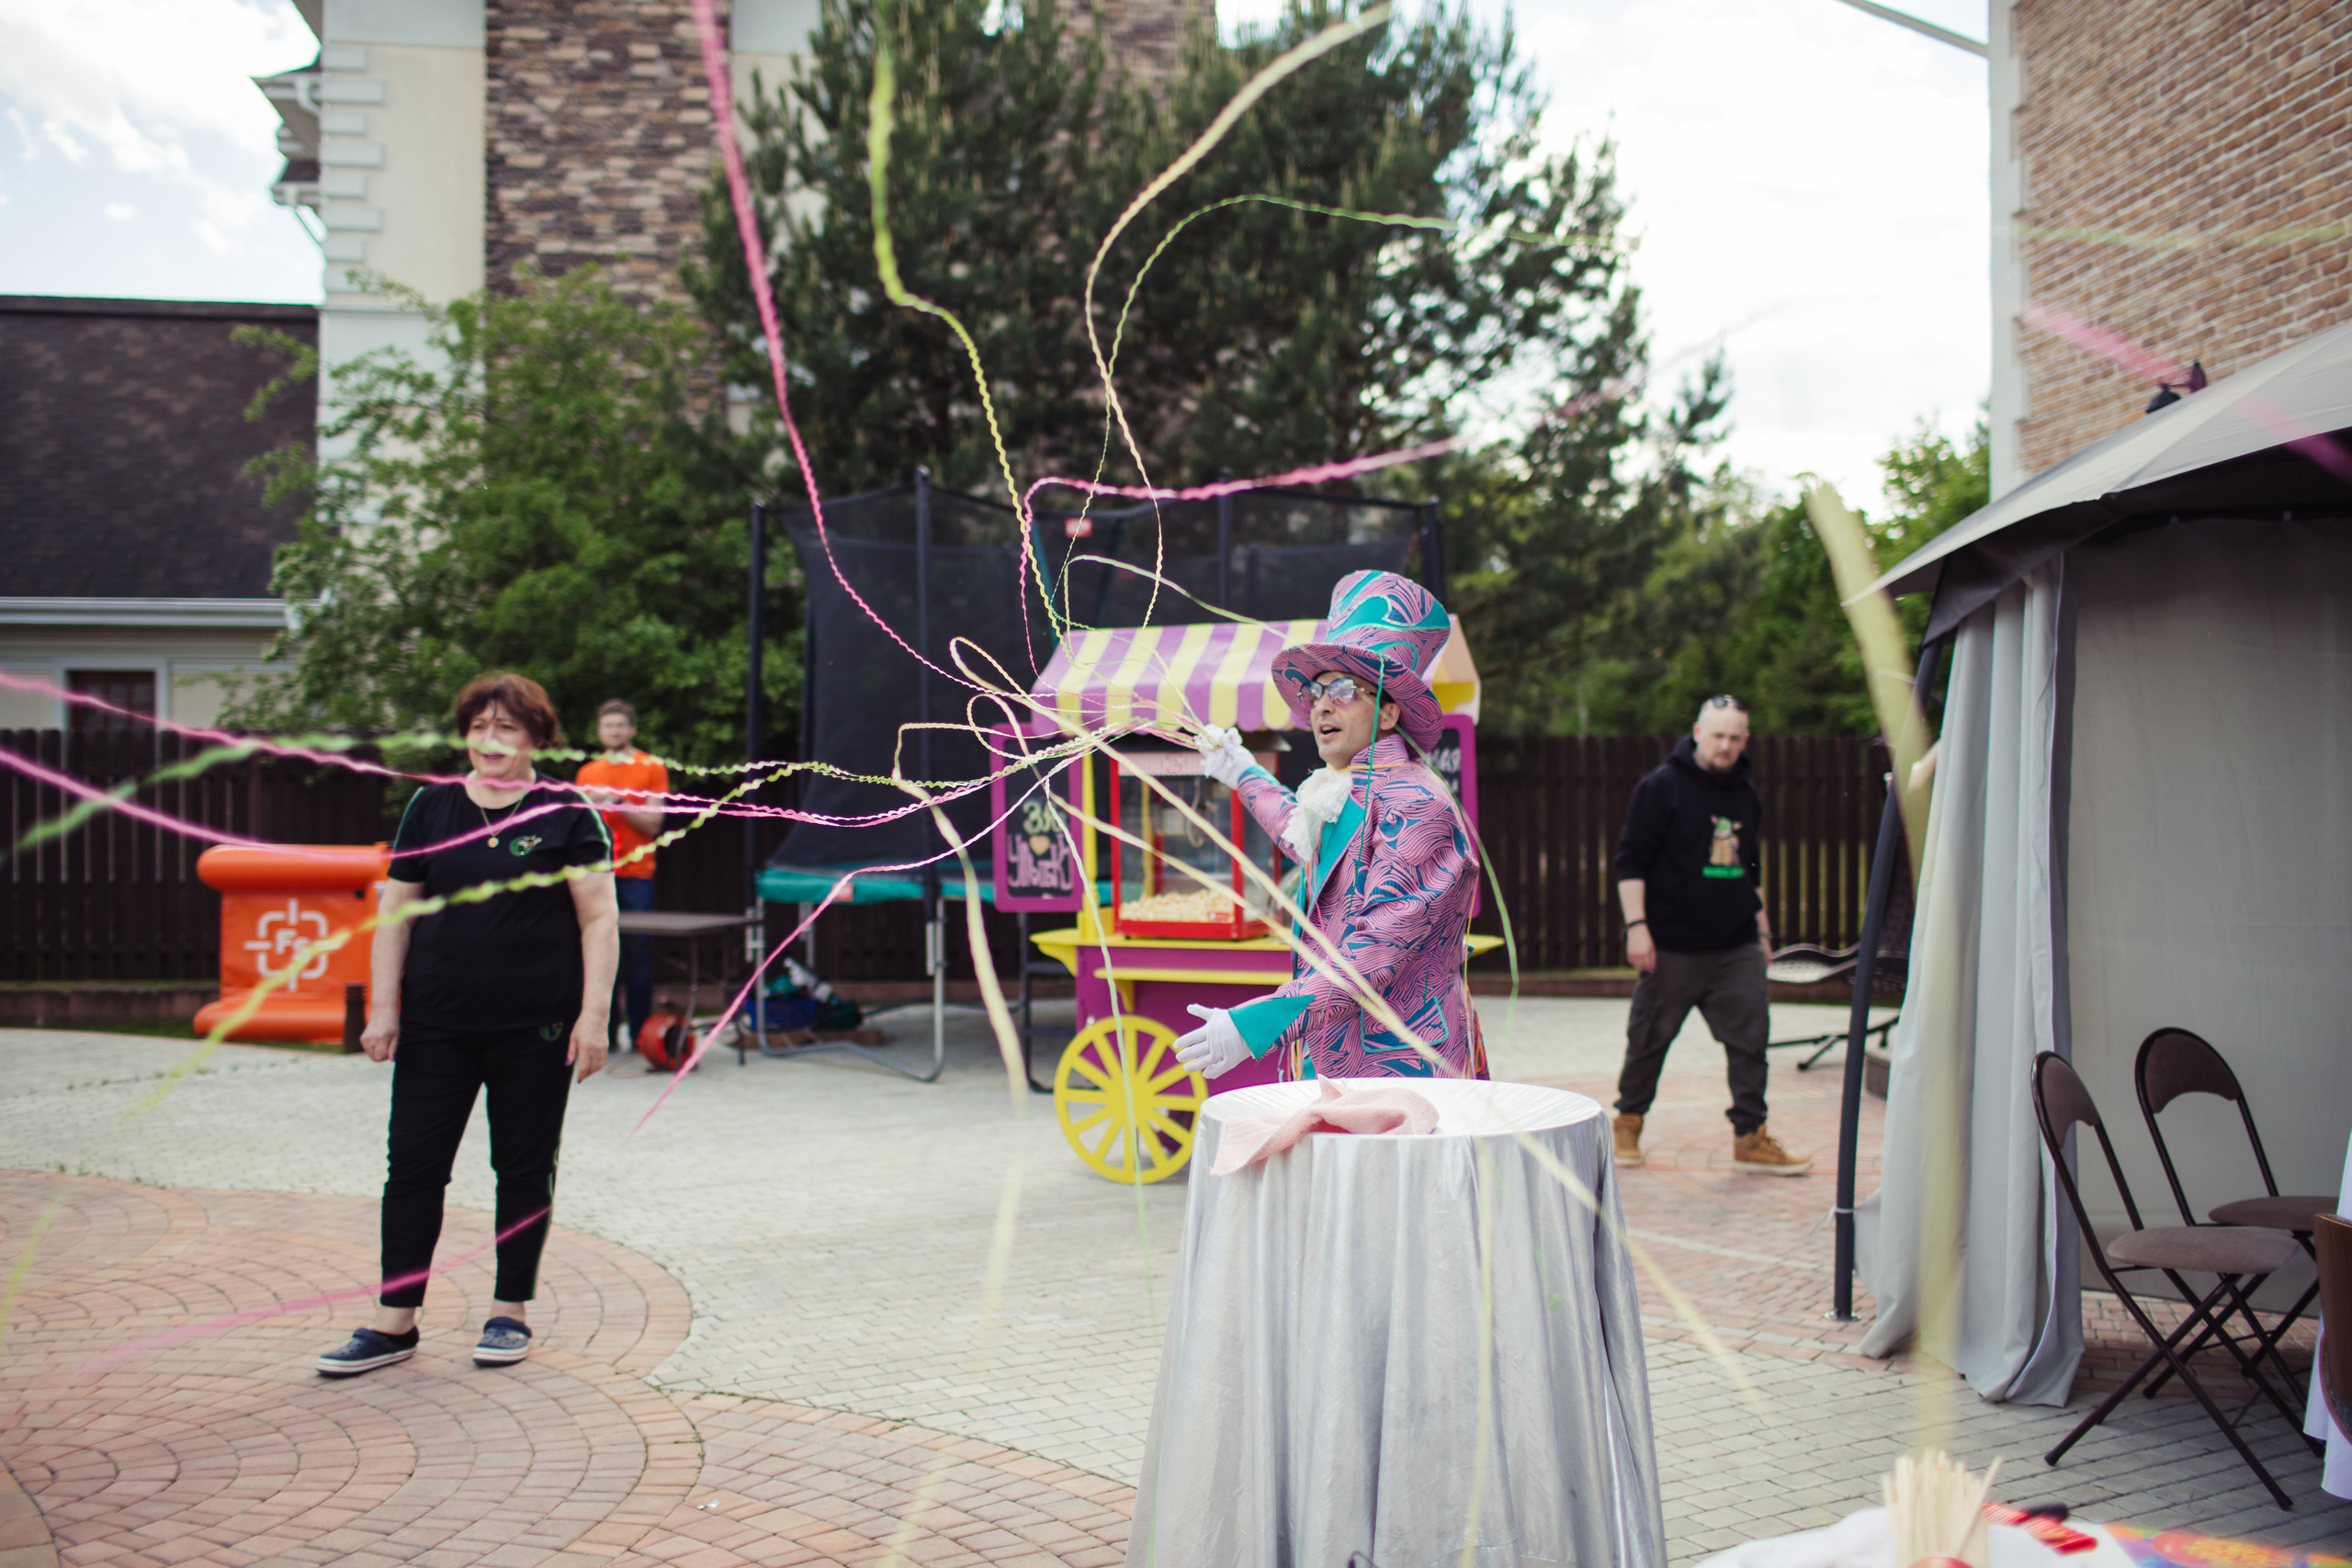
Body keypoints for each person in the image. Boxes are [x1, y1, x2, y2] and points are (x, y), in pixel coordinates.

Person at [317, 671, 620, 1377]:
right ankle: (395, 1323)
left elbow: (599, 918)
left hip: (536, 1029)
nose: (490, 741)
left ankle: (508, 1310)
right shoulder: (432, 807)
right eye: (479, 727)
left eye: (507, 728)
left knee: (521, 1168)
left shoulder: (568, 811)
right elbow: (396, 912)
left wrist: (595, 1017)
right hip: (435, 1026)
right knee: (414, 1170)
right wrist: (383, 1007)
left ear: (536, 737)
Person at [1175, 570, 1482, 1081]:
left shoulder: (1415, 800)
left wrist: (1258, 1023)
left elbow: (1378, 949)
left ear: (1387, 715)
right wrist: (1240, 770)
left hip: (1405, 1069)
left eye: (1342, 689)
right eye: (1317, 692)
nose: (1320, 704)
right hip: (1338, 1061)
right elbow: (1305, 835)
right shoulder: (1352, 789)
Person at [1610, 694, 1811, 1173]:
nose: (1726, 746)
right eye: (1717, 735)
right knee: (1648, 1040)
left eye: (1735, 737)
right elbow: (1630, 860)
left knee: (1751, 1042)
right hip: (1672, 945)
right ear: (1697, 732)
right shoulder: (1660, 787)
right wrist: (1637, 928)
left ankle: (1750, 1138)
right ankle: (1628, 1122)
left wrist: (1762, 933)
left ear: (1746, 740)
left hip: (1736, 943)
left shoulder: (1747, 794)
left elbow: (1750, 867)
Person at [576, 699, 668, 1052]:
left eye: (620, 725)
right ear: (599, 731)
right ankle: (606, 1034)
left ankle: (641, 1036)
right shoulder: (588, 773)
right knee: (599, 954)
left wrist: (617, 801)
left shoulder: (651, 767)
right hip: (597, 875)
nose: (614, 731)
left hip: (636, 874)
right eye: (607, 725)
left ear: (631, 729)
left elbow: (654, 823)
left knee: (638, 956)